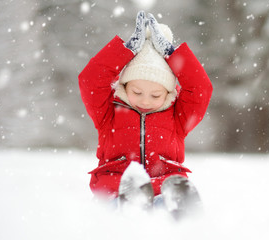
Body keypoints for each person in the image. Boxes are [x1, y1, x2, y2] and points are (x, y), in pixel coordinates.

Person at [78, 11, 213, 217]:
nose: (145, 100)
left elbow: (200, 89)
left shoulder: (178, 117)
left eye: (155, 94)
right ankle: (132, 208)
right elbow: (90, 80)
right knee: (119, 204)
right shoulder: (108, 113)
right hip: (116, 190)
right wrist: (126, 51)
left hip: (162, 190)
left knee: (166, 203)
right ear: (124, 86)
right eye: (137, 92)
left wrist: (172, 54)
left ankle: (183, 214)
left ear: (168, 93)